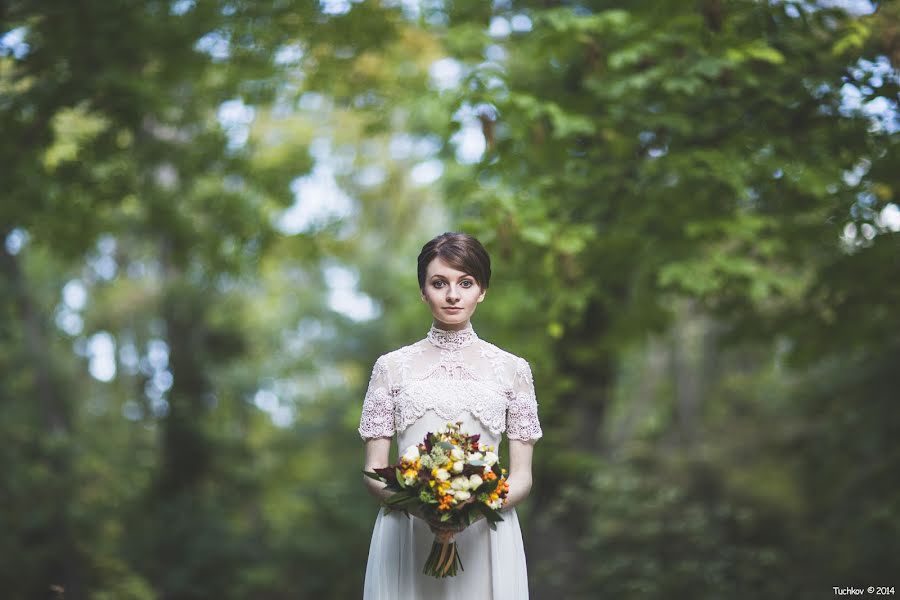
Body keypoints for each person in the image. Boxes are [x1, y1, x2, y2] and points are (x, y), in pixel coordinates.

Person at [359, 232, 543, 599]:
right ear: (423, 291)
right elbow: (374, 470)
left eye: (466, 282)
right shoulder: (391, 368)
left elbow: (521, 476)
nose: (453, 294)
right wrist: (424, 509)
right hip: (407, 529)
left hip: (487, 532)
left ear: (483, 290)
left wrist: (472, 510)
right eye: (439, 283)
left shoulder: (513, 370)